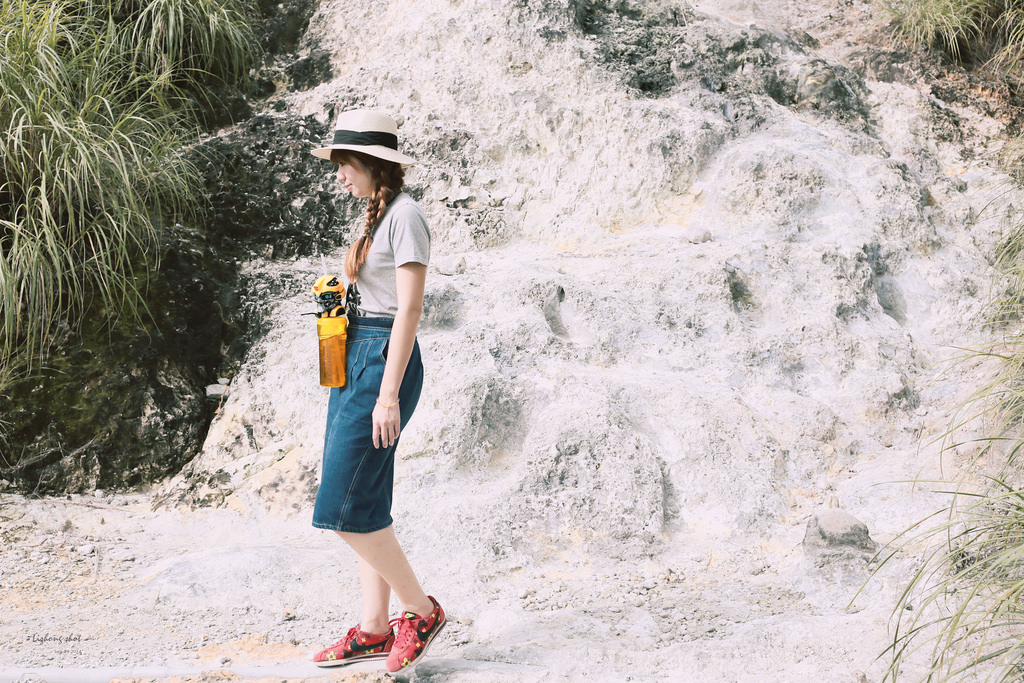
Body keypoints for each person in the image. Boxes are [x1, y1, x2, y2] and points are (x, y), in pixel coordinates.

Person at [308, 109, 444, 674]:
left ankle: (420, 610)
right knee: (367, 501)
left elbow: (410, 307)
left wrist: (387, 394)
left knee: (340, 505)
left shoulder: (406, 215)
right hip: (358, 351)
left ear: (371, 162)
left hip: (384, 360)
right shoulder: (378, 213)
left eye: (344, 164)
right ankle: (372, 629)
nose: (340, 175)